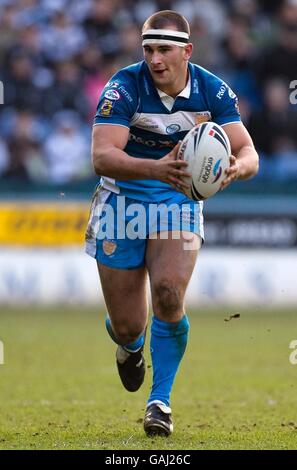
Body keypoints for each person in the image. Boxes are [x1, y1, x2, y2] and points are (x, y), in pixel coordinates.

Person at [86, 10, 259, 437]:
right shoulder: (123, 87)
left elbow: (249, 153)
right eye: (148, 49)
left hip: (177, 198)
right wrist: (155, 168)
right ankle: (129, 347)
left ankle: (159, 402)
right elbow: (102, 157)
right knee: (129, 325)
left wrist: (236, 169)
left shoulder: (212, 90)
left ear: (187, 51)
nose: (155, 59)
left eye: (164, 49)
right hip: (123, 198)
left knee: (167, 292)